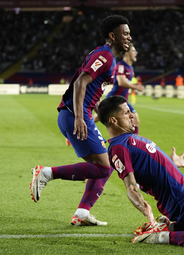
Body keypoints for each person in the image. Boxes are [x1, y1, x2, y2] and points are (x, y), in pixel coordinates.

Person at [30, 15, 132, 226]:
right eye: (125, 33)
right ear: (112, 36)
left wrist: (100, 118)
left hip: (77, 114)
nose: (129, 36)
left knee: (104, 165)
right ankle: (46, 173)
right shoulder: (104, 55)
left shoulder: (108, 57)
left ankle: (82, 213)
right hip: (74, 114)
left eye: (129, 33)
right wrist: (80, 117)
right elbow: (80, 83)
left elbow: (93, 93)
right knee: (105, 167)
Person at [97, 95, 184, 249]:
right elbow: (130, 186)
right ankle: (158, 235)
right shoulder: (118, 148)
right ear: (113, 121)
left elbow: (149, 166)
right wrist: (146, 211)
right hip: (178, 196)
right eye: (126, 113)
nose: (131, 115)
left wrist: (172, 164)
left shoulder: (129, 138)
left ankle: (169, 228)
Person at [93, 43, 143, 135]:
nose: (136, 53)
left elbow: (125, 82)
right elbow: (121, 82)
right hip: (114, 98)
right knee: (99, 117)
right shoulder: (121, 65)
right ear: (127, 53)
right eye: (133, 51)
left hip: (123, 100)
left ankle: (133, 143)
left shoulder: (131, 68)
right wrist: (135, 86)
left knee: (135, 119)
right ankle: (78, 130)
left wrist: (133, 84)